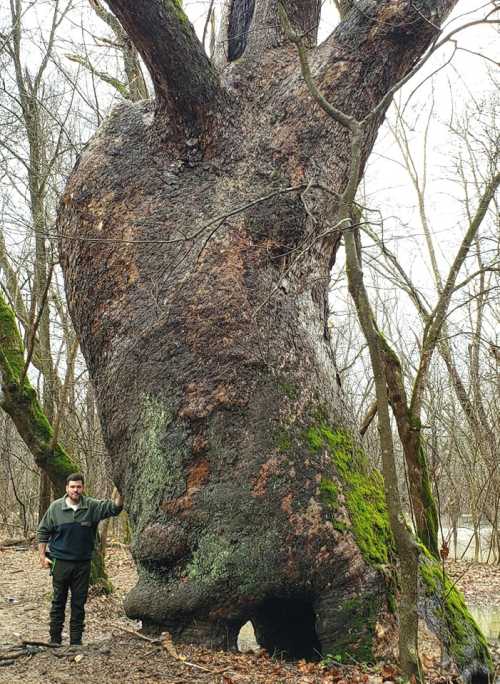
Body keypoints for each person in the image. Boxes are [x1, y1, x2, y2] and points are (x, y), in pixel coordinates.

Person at [37, 473, 124, 646]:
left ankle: (76, 642)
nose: (75, 490)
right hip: (60, 562)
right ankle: (55, 640)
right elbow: (43, 532)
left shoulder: (91, 506)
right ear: (66, 488)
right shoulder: (55, 508)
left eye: (78, 487)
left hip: (83, 564)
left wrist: (122, 490)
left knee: (78, 603)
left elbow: (114, 508)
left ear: (83, 488)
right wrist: (42, 557)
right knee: (58, 602)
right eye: (72, 487)